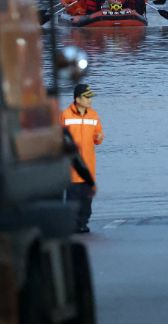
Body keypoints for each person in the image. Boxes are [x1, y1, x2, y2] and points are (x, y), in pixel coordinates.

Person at [60, 84, 104, 233]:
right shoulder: (65, 115)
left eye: (90, 97)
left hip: (88, 166)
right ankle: (72, 224)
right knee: (72, 198)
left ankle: (83, 223)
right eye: (87, 97)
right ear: (78, 99)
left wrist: (99, 137)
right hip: (71, 167)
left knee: (86, 199)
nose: (90, 100)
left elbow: (98, 133)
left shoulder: (93, 115)